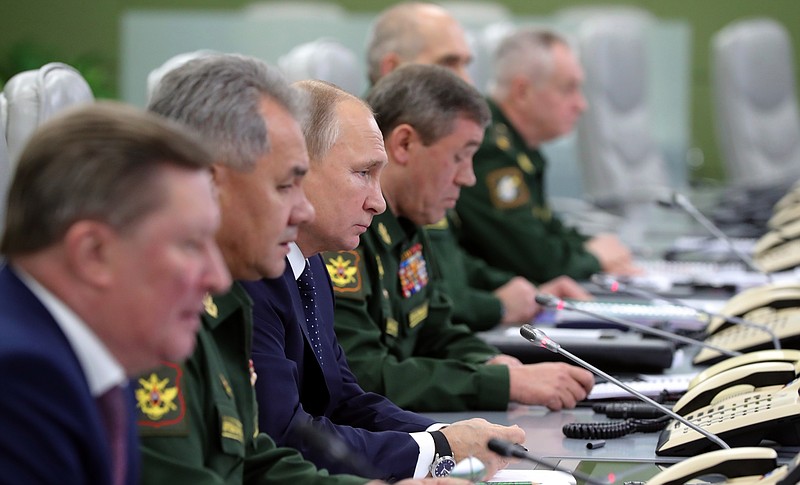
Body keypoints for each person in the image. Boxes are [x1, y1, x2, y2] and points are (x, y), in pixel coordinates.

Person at [139, 54, 466, 485]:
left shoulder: (284, 272)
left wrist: (441, 443)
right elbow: (279, 439)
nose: (301, 208)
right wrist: (437, 449)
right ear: (211, 183)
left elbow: (256, 457)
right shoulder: (158, 316)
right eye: (285, 184)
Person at [241, 80, 523, 481]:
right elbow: (287, 434)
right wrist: (438, 449)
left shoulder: (310, 264)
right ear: (297, 169)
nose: (379, 201)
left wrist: (444, 435)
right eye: (363, 173)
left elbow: (342, 399)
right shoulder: (251, 278)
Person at [327, 64, 594, 414]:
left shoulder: (410, 219)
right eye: (459, 157)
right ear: (404, 144)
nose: (468, 178)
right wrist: (499, 384)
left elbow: (435, 327)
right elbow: (361, 375)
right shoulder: (343, 235)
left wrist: (493, 362)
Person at [0, 101, 231, 484]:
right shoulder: (20, 379)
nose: (218, 279)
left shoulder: (99, 365)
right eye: (192, 244)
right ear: (94, 254)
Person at [366, 2, 591, 330]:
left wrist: (523, 292)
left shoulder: (425, 152)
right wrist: (498, 306)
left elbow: (449, 262)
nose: (467, 80)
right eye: (448, 63)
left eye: (465, 64)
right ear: (393, 69)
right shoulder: (370, 167)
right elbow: (418, 307)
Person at [456, 28, 640, 283]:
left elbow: (543, 228)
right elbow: (534, 261)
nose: (581, 104)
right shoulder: (488, 150)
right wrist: (595, 258)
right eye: (568, 89)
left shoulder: (516, 144)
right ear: (522, 92)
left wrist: (589, 244)